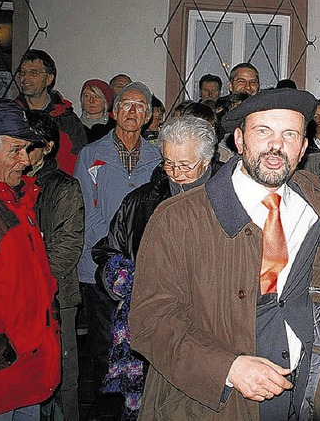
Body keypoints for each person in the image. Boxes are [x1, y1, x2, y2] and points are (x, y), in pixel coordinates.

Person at [129, 88, 320, 420]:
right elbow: (149, 322)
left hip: (300, 397)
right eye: (263, 132)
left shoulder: (317, 204)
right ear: (239, 140)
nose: (276, 145)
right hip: (212, 403)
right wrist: (228, 368)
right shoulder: (178, 219)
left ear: (303, 147)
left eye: (289, 134)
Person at [92, 116, 218, 420]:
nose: (175, 174)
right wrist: (125, 280)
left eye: (185, 165)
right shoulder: (143, 200)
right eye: (168, 163)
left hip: (209, 328)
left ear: (208, 159)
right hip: (153, 328)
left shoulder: (230, 200)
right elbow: (108, 251)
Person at [74, 81, 162, 418]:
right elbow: (88, 213)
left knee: (139, 346)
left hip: (146, 270)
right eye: (126, 104)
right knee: (103, 348)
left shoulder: (157, 158)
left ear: (149, 116)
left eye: (141, 106)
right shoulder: (91, 154)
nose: (132, 111)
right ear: (114, 111)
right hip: (99, 270)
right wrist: (113, 261)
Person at [0, 99, 60, 419]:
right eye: (16, 150)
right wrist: (3, 356)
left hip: (29, 371)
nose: (26, 161)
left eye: (27, 149)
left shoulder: (17, 198)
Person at [26, 110, 84, 421]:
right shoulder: (8, 185)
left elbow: (66, 249)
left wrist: (26, 282)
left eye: (29, 144)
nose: (22, 151)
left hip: (56, 297)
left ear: (47, 146)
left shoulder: (64, 187)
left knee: (64, 376)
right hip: (16, 302)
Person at [15, 49, 87, 175]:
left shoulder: (66, 118)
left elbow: (82, 160)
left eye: (33, 73)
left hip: (57, 189)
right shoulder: (12, 115)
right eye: (22, 72)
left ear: (49, 78)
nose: (25, 79)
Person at [80, 78, 116, 143]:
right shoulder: (73, 126)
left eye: (96, 97)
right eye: (87, 96)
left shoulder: (116, 128)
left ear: (105, 101)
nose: (91, 101)